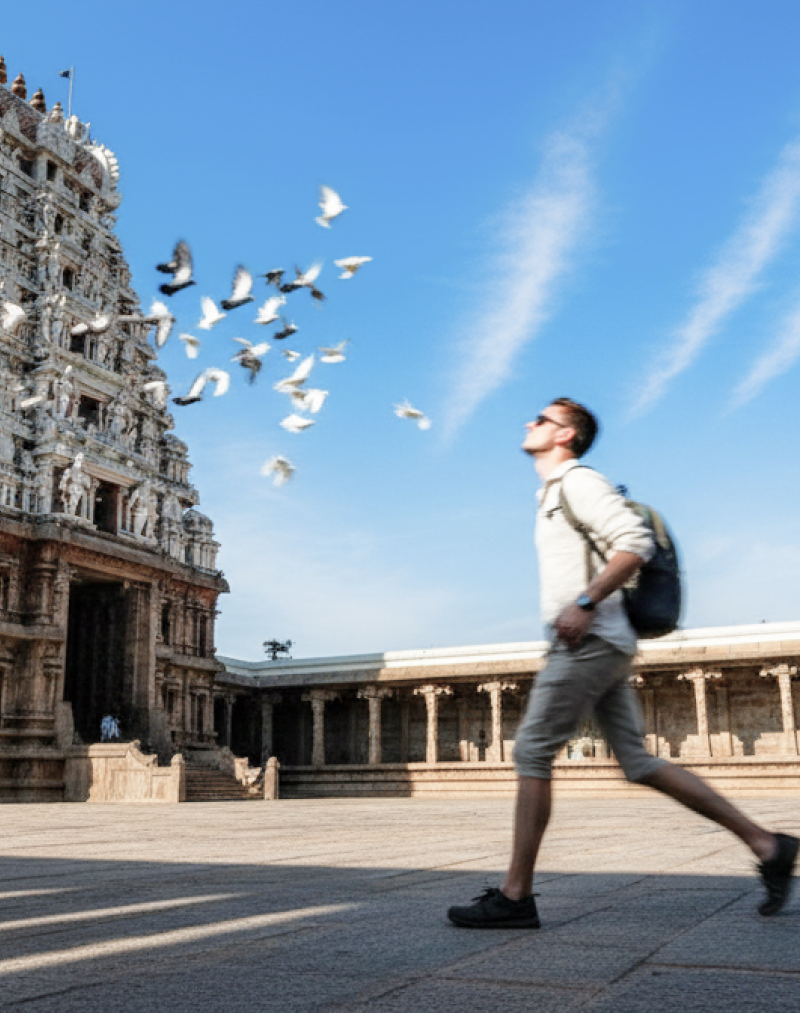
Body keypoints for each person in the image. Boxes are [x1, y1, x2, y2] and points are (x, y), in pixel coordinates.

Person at [447, 397, 798, 929]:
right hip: (605, 642)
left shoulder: (578, 482)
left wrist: (585, 603)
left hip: (589, 641)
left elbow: (634, 543)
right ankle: (767, 845)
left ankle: (516, 897)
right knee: (636, 760)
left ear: (565, 435)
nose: (529, 422)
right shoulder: (553, 492)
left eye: (542, 419)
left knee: (533, 751)